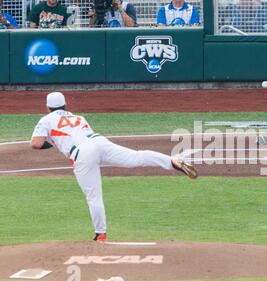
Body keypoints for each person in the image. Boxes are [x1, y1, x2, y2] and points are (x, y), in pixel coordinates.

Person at [31, 92, 198, 242]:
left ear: (48, 107)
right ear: (66, 105)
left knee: (93, 196)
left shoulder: (46, 120)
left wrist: (53, 144)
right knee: (136, 157)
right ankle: (172, 161)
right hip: (99, 141)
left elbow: (36, 144)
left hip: (82, 153)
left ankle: (100, 234)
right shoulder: (79, 117)